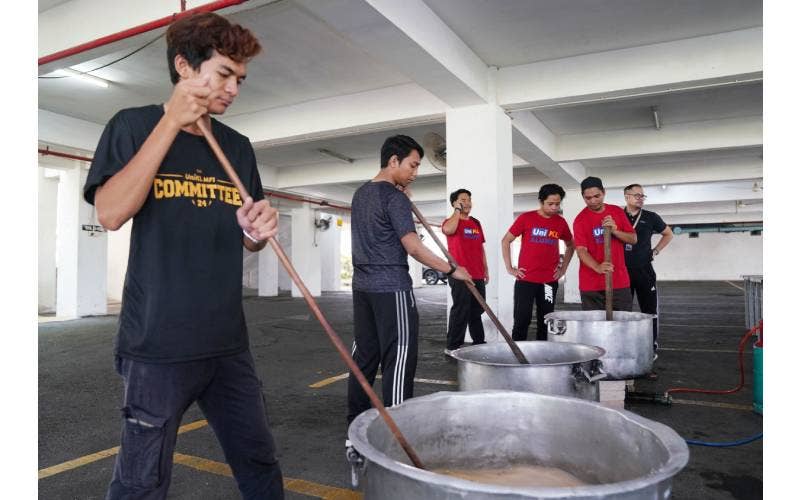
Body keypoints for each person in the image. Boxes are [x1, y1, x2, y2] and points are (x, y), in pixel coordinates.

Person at [83, 13, 285, 499]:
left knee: (260, 463)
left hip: (227, 342)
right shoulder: (132, 125)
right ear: (184, 66)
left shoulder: (237, 148)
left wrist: (257, 231)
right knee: (141, 481)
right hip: (157, 345)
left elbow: (249, 240)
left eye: (240, 79)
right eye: (224, 74)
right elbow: (110, 213)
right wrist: (171, 123)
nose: (233, 89)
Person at [346, 135, 472, 429]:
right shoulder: (395, 198)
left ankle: (354, 426)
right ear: (394, 161)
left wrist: (401, 194)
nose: (415, 173)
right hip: (392, 288)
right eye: (412, 166)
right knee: (399, 356)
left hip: (362, 287)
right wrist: (451, 269)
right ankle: (398, 430)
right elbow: (413, 247)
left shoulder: (360, 194)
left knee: (364, 355)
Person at [502, 184, 575, 341]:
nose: (554, 207)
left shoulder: (560, 222)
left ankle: (543, 351)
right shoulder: (526, 218)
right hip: (526, 280)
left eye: (557, 204)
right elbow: (506, 241)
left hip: (548, 282)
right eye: (550, 204)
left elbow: (571, 245)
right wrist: (510, 268)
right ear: (541, 201)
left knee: (546, 320)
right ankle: (517, 351)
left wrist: (563, 269)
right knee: (522, 319)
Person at [623, 183, 674, 365]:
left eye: (642, 196)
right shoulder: (618, 215)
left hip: (645, 271)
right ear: (627, 197)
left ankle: (651, 346)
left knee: (649, 311)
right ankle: (623, 346)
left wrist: (655, 251)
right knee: (622, 312)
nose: (640, 199)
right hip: (622, 272)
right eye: (637, 195)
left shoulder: (651, 217)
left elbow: (668, 234)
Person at [573, 177, 637, 311]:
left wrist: (615, 231)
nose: (593, 201)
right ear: (583, 197)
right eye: (588, 198)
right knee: (593, 323)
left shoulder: (617, 212)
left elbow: (633, 239)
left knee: (622, 321)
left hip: (618, 281)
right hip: (591, 285)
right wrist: (597, 267)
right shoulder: (580, 220)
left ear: (604, 192)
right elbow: (581, 250)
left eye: (597, 196)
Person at [441, 188, 488, 353]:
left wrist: (486, 269)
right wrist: (457, 211)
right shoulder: (450, 222)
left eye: (469, 199)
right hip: (459, 273)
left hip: (477, 273)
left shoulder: (476, 223)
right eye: (463, 200)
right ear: (455, 203)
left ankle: (479, 343)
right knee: (461, 309)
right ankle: (453, 346)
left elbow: (480, 248)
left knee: (477, 309)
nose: (467, 203)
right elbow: (448, 230)